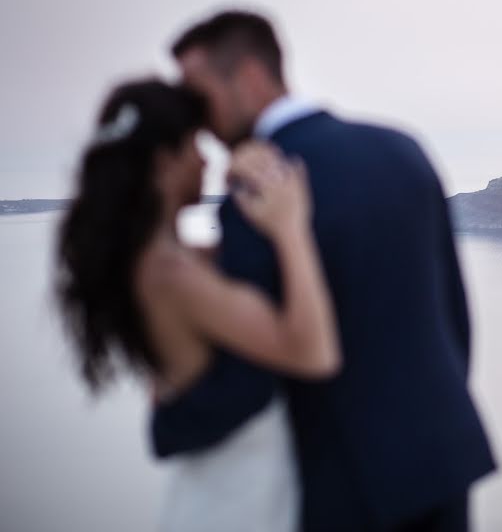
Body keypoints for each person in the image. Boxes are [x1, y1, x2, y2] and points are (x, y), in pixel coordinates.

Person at [153, 10, 496, 531]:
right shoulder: (400, 148)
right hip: (444, 456)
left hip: (347, 484)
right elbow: (453, 314)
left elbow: (251, 383)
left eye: (200, 95)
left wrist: (170, 419)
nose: (197, 118)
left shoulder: (256, 195)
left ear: (248, 77)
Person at [55, 78, 340, 532]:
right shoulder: (171, 274)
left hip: (224, 487)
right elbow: (312, 352)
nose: (208, 158)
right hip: (239, 504)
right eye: (194, 144)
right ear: (165, 162)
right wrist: (290, 229)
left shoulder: (151, 259)